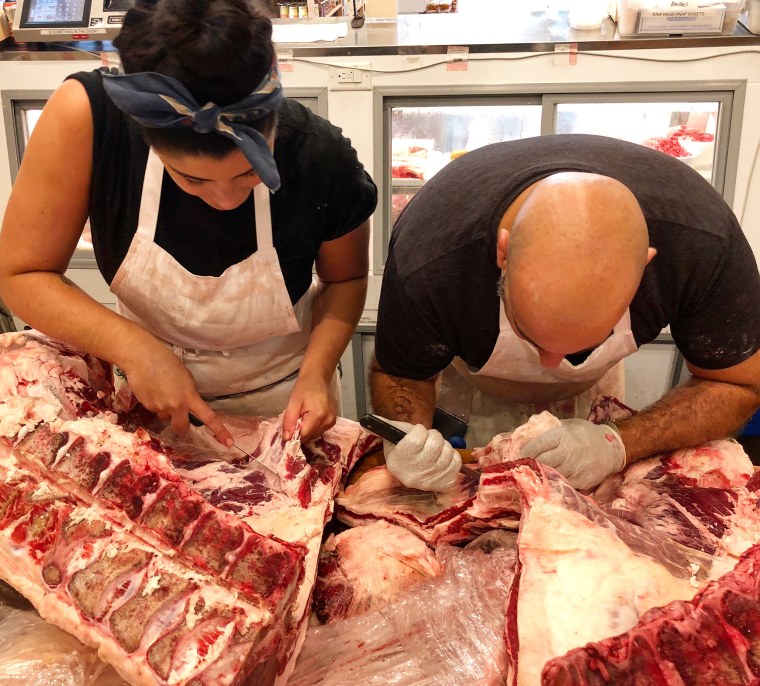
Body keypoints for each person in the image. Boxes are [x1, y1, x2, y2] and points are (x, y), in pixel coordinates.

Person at [0, 0, 377, 446]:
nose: (225, 199)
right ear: (144, 134)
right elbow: (20, 272)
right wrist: (135, 348)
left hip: (285, 405)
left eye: (249, 173)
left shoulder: (321, 156)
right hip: (147, 401)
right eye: (192, 179)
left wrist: (316, 375)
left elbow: (346, 279)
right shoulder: (87, 118)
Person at [370, 134, 760, 492]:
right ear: (503, 252)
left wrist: (617, 441)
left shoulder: (701, 244)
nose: (550, 364)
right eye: (529, 333)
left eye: (588, 340)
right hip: (474, 387)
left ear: (646, 266)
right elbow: (400, 375)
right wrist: (408, 438)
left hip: (596, 393)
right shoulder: (432, 260)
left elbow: (741, 383)